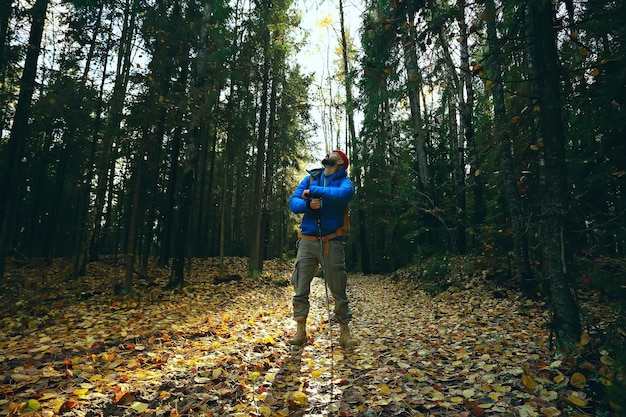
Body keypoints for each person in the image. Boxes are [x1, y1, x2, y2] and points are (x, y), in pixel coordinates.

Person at [287, 150, 357, 349]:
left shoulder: (345, 183)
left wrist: (316, 192)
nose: (328, 155)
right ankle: (300, 331)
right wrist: (309, 205)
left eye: (333, 155)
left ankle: (345, 333)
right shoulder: (310, 179)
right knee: (300, 287)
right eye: (328, 154)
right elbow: (294, 202)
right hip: (307, 241)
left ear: (341, 164)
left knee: (338, 289)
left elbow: (342, 195)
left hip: (332, 242)